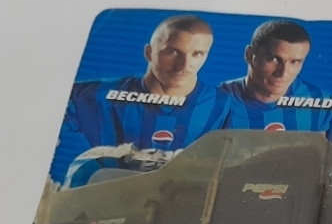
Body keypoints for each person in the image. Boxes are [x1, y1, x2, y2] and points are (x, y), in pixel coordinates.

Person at [55, 14, 231, 186]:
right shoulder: (94, 96)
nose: (184, 65)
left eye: (197, 54)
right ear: (149, 52)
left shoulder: (222, 105)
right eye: (172, 52)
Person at [221, 19, 332, 132]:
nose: (283, 73)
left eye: (295, 62)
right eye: (273, 59)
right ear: (249, 55)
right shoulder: (217, 103)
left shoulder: (322, 106)